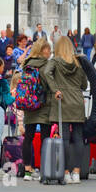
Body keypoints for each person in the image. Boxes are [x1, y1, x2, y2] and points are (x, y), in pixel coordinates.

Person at [40, 36, 88, 184]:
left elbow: (46, 72)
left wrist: (55, 89)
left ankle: (66, 171)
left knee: (65, 138)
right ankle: (77, 172)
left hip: (63, 101)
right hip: (77, 101)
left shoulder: (55, 61)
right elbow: (84, 85)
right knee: (79, 137)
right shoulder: (78, 62)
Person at [17, 38, 52, 181]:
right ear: (42, 50)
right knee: (45, 138)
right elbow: (49, 84)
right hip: (43, 104)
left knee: (29, 137)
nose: (49, 52)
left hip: (29, 104)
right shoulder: (46, 65)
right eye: (47, 49)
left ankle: (27, 170)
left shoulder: (27, 64)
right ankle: (43, 169)